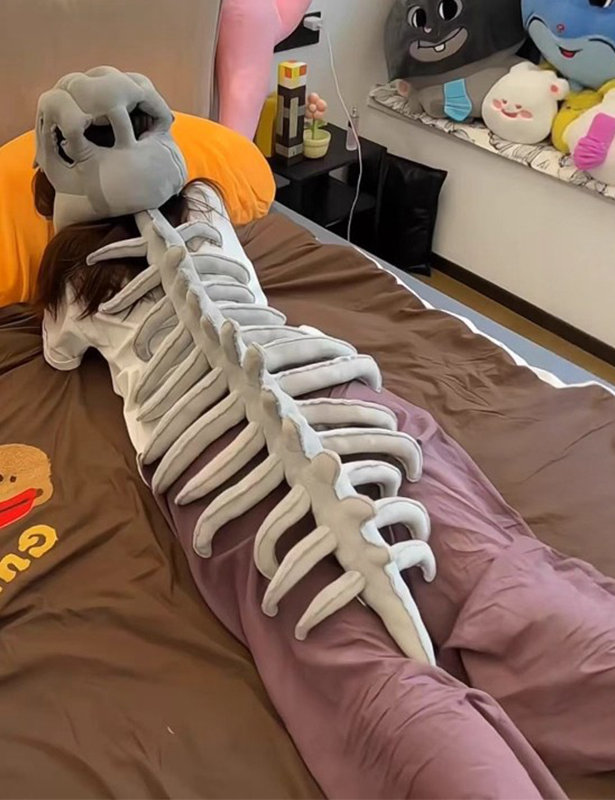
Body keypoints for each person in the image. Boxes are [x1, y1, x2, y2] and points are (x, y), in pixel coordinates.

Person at [34, 67, 615, 800]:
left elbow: (60, 354)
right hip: (335, 396)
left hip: (213, 458)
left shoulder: (71, 275)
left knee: (355, 670)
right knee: (491, 571)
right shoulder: (206, 205)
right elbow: (240, 288)